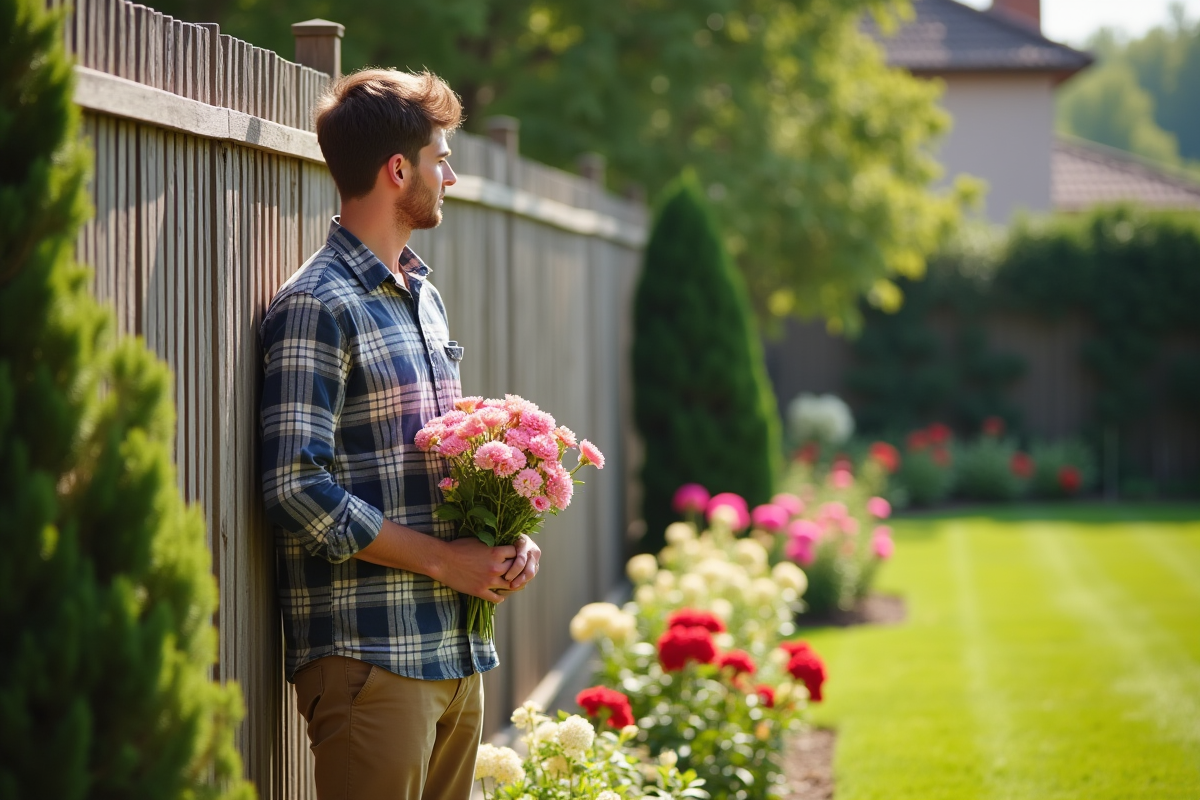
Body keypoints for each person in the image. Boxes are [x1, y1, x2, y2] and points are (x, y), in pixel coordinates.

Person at [259, 68, 541, 800]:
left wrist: (505, 536)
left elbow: (430, 466)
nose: (450, 174)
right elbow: (296, 487)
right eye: (440, 157)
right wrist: (448, 562)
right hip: (370, 662)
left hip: (453, 654)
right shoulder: (318, 304)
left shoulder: (423, 297)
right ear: (397, 169)